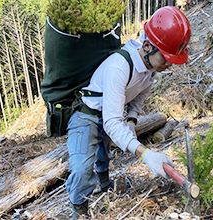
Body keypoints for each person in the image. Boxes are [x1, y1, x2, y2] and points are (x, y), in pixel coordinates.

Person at [66, 6, 191, 219]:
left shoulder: (150, 69)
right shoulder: (119, 67)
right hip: (87, 116)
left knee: (103, 155)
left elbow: (137, 98)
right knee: (80, 170)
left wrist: (132, 122)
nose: (169, 64)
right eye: (166, 57)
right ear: (146, 45)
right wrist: (146, 154)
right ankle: (79, 210)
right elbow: (112, 123)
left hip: (109, 113)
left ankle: (105, 186)